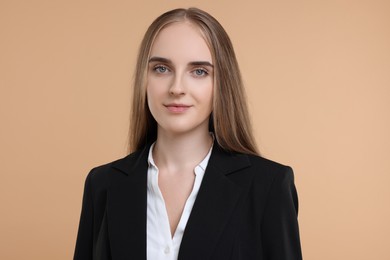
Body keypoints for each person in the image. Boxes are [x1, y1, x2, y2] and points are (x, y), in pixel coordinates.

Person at [74, 7, 302, 260]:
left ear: (222, 83)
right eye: (161, 68)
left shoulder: (268, 186)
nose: (177, 88)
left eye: (199, 71)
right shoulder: (103, 185)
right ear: (144, 78)